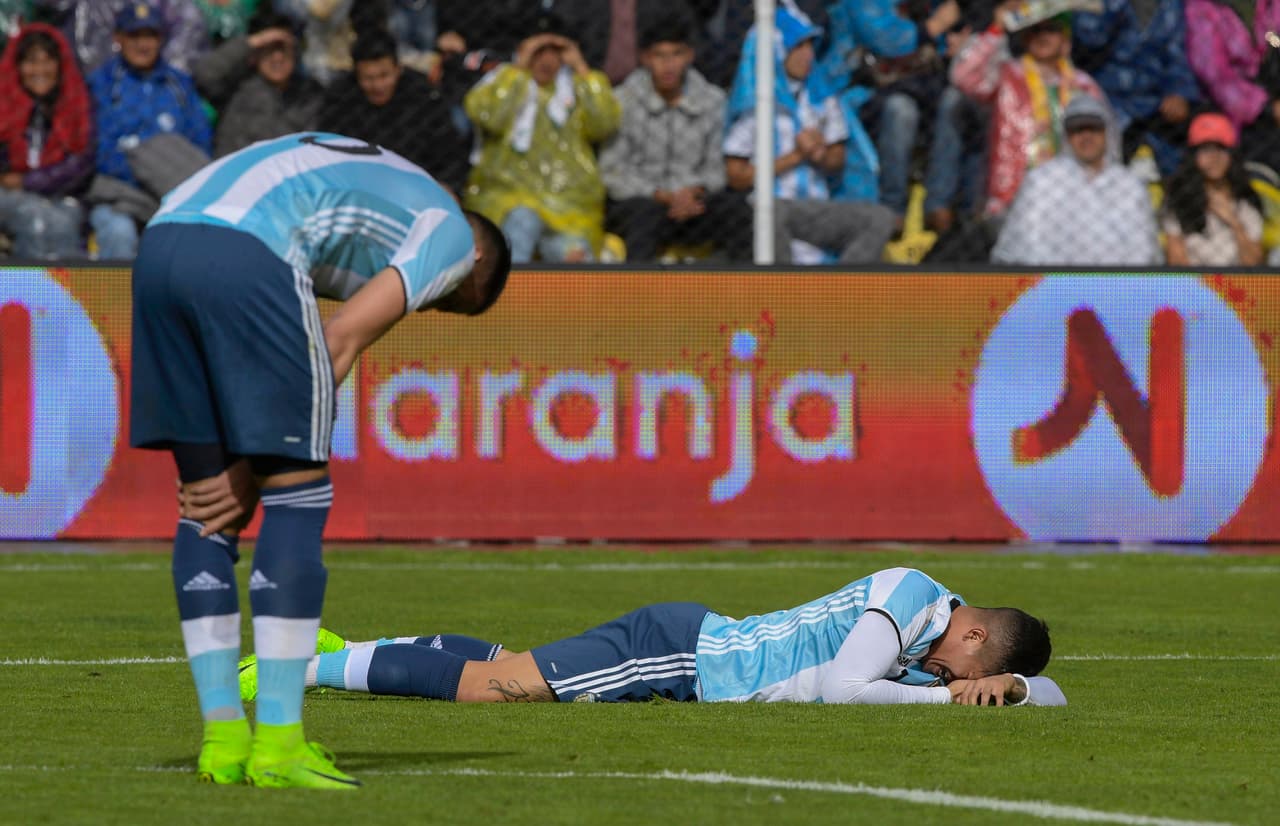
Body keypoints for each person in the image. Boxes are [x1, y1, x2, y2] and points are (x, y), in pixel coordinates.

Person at [129, 131, 513, 789]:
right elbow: (339, 340)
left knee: (203, 509)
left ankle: (222, 741)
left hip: (161, 238)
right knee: (297, 496)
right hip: (246, 250)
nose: (433, 304)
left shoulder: (387, 187)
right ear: (476, 259)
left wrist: (232, 474)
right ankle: (278, 743)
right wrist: (253, 470)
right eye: (451, 300)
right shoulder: (449, 235)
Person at [238, 567, 1067, 707]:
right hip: (683, 652)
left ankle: (363, 646)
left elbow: (1057, 697)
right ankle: (301, 668)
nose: (943, 675)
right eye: (964, 667)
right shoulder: (910, 595)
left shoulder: (938, 649)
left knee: (504, 664)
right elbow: (841, 689)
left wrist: (1019, 690)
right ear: (976, 630)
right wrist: (951, 706)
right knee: (498, 689)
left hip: (685, 654)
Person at [723, 4, 896, 264]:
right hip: (772, 205)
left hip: (816, 210)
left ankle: (838, 295)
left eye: (809, 46)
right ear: (776, 51)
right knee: (769, 214)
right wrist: (795, 156)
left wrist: (820, 154)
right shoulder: (755, 104)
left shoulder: (822, 97)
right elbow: (736, 176)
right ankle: (783, 294)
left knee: (880, 219)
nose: (807, 56)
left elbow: (838, 157)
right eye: (798, 47)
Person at [463, 12, 620, 263]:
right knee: (522, 223)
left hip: (569, 205)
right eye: (538, 51)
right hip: (508, 198)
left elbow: (604, 123)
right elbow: (490, 116)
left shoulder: (575, 88)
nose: (546, 60)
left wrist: (581, 69)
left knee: (576, 257)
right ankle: (509, 297)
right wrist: (517, 71)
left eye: (554, 51)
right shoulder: (502, 81)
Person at [599, 12, 751, 262]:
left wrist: (693, 192)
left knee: (737, 211)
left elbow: (716, 169)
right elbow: (612, 171)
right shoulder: (622, 101)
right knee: (642, 215)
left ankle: (744, 295)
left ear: (689, 56)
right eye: (659, 55)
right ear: (645, 58)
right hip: (643, 203)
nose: (668, 65)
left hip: (695, 204)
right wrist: (660, 195)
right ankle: (639, 296)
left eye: (676, 54)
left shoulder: (711, 100)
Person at [950, 2, 1109, 219]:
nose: (1043, 36)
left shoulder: (1083, 86)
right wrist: (996, 29)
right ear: (1025, 38)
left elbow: (1106, 145)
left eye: (1051, 29)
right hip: (1011, 200)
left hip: (1073, 201)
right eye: (1036, 30)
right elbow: (963, 76)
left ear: (1065, 40)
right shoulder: (1006, 76)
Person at [87, 1, 212, 259]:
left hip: (172, 196)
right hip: (119, 196)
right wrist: (149, 171)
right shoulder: (101, 85)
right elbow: (96, 149)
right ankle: (117, 300)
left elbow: (200, 142)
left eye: (150, 36)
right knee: (118, 233)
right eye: (135, 35)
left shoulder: (179, 84)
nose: (143, 45)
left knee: (196, 238)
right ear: (118, 38)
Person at [992, 94, 1160, 265]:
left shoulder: (1129, 186)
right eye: (1078, 129)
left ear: (1108, 132)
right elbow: (1025, 246)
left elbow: (1143, 251)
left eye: (1094, 128)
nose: (1086, 136)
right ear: (1066, 136)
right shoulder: (1043, 181)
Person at [320, 27, 470, 193]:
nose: (377, 86)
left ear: (398, 69)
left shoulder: (424, 96)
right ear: (356, 75)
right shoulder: (340, 100)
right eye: (368, 78)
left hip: (417, 188)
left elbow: (450, 154)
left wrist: (446, 186)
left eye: (384, 75)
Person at [1070, 0, 1199, 178]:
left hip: (1155, 106)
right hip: (1106, 101)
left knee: (1180, 165)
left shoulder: (1171, 5)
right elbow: (1091, 37)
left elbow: (1176, 54)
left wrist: (1179, 92)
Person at [0, 22, 91, 259]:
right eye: (31, 61)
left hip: (61, 194)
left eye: (47, 60)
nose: (39, 69)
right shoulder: (5, 104)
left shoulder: (75, 104)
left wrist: (30, 181)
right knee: (34, 218)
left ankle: (64, 295)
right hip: (7, 195)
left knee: (62, 223)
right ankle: (28, 294)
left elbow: (81, 162)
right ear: (18, 66)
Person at [194, 11, 323, 157]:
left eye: (283, 48)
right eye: (270, 48)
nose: (278, 57)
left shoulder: (309, 93)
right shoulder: (236, 84)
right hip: (240, 171)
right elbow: (204, 74)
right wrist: (253, 41)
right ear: (255, 52)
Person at [1162, 112, 1264, 267]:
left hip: (1237, 287)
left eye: (1221, 148)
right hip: (1194, 287)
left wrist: (1234, 222)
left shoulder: (1246, 200)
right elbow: (1176, 262)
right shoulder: (1180, 199)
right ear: (1193, 156)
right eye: (1205, 149)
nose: (1214, 157)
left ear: (1232, 155)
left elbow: (1254, 265)